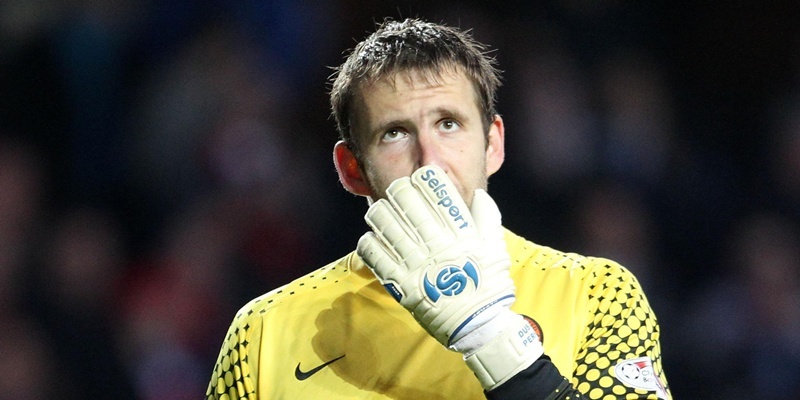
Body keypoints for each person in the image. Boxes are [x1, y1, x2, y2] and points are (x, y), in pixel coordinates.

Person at [206, 18, 671, 400]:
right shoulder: (262, 333)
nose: (429, 161)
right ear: (352, 169)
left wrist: (491, 338)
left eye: (448, 124)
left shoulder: (596, 294)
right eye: (395, 133)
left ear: (492, 145)